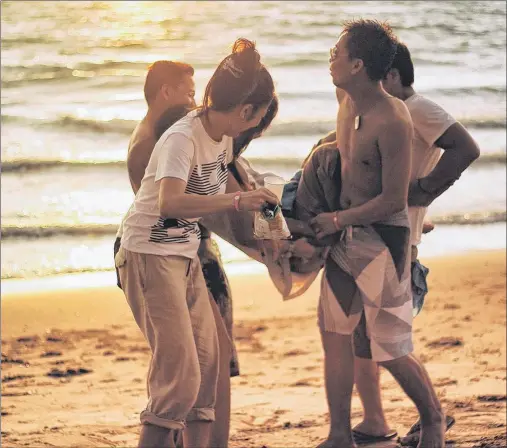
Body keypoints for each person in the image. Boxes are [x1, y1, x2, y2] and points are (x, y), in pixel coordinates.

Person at [115, 38, 278, 448]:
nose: (257, 126)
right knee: (179, 379)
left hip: (185, 255)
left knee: (207, 369)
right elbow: (170, 202)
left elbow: (214, 205)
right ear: (246, 111)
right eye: (258, 117)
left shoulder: (220, 139)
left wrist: (268, 234)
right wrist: (240, 198)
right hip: (149, 255)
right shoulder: (182, 137)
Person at [309, 20, 446, 448]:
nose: (330, 57)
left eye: (337, 51)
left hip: (381, 242)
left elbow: (392, 200)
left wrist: (336, 221)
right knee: (334, 334)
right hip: (343, 240)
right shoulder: (346, 98)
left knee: (390, 345)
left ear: (358, 64)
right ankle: (338, 435)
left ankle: (434, 420)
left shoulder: (393, 118)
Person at [351, 41, 480, 446]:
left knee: (387, 343)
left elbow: (466, 147)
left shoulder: (415, 108)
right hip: (377, 235)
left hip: (393, 242)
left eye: (375, 75)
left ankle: (433, 419)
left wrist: (424, 191)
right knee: (362, 338)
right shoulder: (383, 113)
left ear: (390, 77)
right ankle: (375, 421)